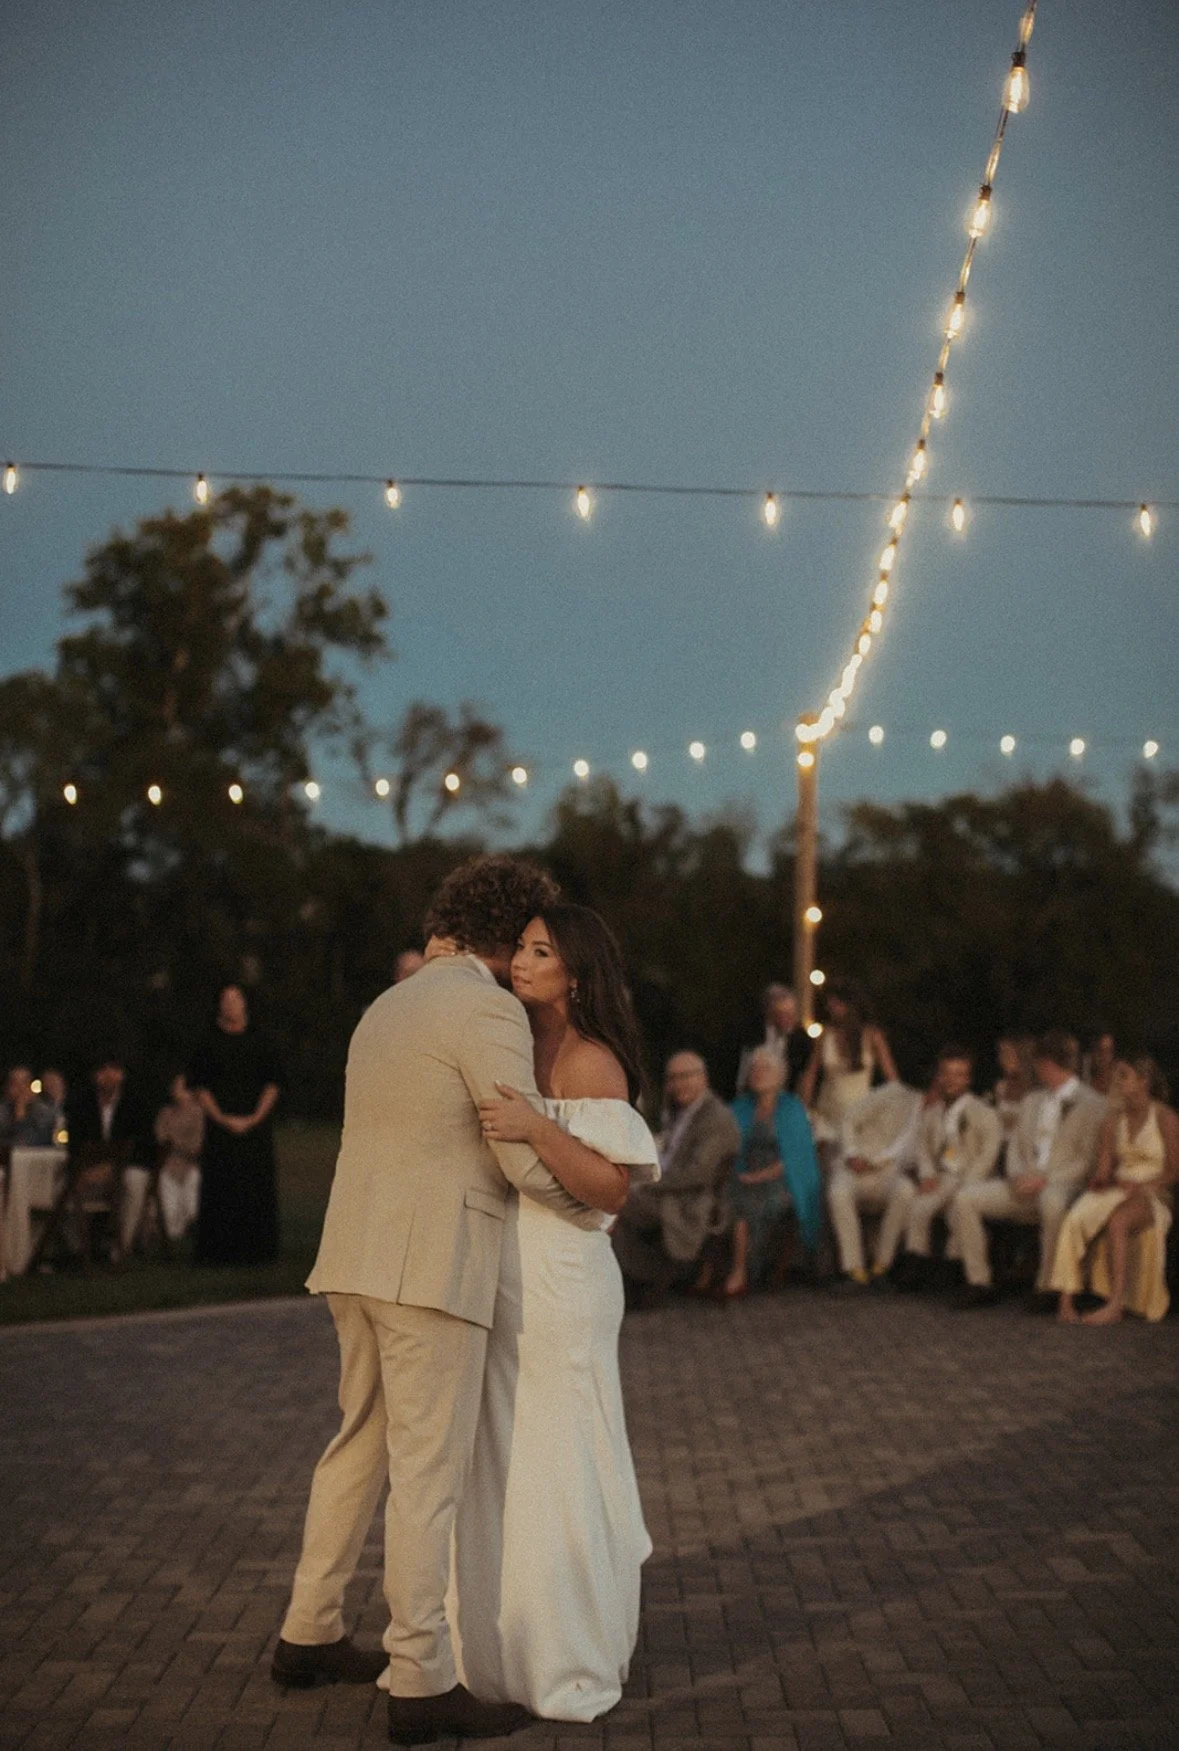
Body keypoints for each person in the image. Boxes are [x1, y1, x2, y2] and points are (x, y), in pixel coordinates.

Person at [274, 856, 636, 1745]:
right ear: (505, 931)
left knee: (355, 1446)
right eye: (522, 941)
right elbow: (514, 1153)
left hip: (351, 1257)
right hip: (429, 1269)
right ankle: (422, 1678)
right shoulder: (483, 1008)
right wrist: (581, 1207)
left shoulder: (387, 1002)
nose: (521, 962)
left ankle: (308, 1630)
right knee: (428, 1478)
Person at [453, 903, 658, 1721]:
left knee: (558, 1456)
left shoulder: (589, 1061)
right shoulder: (512, 1038)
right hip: (507, 1278)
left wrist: (538, 1125)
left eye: (541, 951)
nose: (522, 961)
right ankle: (500, 1645)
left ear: (575, 973)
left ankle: (567, 1651)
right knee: (504, 1456)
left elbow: (611, 1187)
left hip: (565, 1282)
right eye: (522, 949)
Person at [949, 1030, 1106, 1310]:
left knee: (1052, 1201)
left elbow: (1086, 1161)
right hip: (1025, 1183)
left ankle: (1048, 1286)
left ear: (1046, 1064)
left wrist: (1045, 1181)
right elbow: (1015, 1148)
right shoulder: (1032, 1100)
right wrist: (1018, 1175)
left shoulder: (1093, 1104)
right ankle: (979, 1281)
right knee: (966, 1197)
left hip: (1063, 1185)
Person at [1051, 1055, 1178, 1324]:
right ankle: (1066, 1301)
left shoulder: (1165, 1118)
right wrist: (1100, 1181)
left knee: (1118, 1221)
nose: (1117, 1083)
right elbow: (1104, 1169)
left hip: (1152, 1192)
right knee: (1075, 1217)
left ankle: (1115, 1304)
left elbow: (1173, 1171)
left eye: (1124, 1076)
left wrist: (1142, 1186)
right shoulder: (1112, 1121)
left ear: (1143, 1081)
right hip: (1120, 1187)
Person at [610, 1051, 740, 1305]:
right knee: (612, 1199)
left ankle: (643, 1277)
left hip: (691, 1200)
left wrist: (650, 1183)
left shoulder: (716, 1118)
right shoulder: (684, 1112)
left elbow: (698, 1173)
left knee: (616, 1202)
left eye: (684, 1077)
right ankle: (637, 1274)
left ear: (702, 1078)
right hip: (669, 1190)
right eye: (672, 1079)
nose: (677, 1085)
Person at [879, 1046, 1001, 1293]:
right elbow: (924, 1149)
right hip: (944, 1176)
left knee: (958, 1209)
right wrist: (927, 1174)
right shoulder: (933, 1113)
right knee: (919, 1205)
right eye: (947, 1073)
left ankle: (956, 1269)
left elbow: (988, 1154)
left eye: (959, 1074)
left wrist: (968, 1183)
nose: (951, 1080)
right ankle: (916, 1261)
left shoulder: (983, 1112)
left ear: (968, 1079)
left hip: (971, 1178)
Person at [189, 986, 282, 1266]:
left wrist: (255, 1118)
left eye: (236, 1000)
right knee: (222, 1188)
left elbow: (273, 1082)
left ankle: (258, 1252)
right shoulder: (208, 1042)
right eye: (226, 1000)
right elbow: (200, 1086)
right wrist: (220, 1117)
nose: (231, 1005)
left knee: (255, 1187)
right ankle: (219, 1253)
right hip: (220, 1129)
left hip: (256, 1129)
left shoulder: (261, 1040)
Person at [722, 1045, 822, 1296]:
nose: (757, 1073)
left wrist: (757, 1176)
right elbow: (728, 1147)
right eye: (754, 1068)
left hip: (783, 1179)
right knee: (727, 1195)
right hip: (741, 1173)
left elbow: (796, 1157)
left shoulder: (792, 1108)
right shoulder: (740, 1107)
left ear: (780, 1075)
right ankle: (715, 1271)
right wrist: (742, 1173)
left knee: (746, 1201)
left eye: (765, 1068)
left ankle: (741, 1271)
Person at [826, 1080, 923, 1286]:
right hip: (858, 1165)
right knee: (838, 1191)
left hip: (892, 1173)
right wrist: (852, 1153)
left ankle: (882, 1266)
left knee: (905, 1190)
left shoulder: (942, 1114)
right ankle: (853, 1268)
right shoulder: (893, 1093)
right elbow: (849, 1119)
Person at [66, 1056, 152, 1260]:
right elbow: (75, 1144)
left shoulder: (136, 1104)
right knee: (61, 1186)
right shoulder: (81, 1104)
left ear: (122, 1074)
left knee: (135, 1181)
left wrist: (113, 1168)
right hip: (90, 1169)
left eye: (113, 1069)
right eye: (102, 1070)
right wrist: (85, 1170)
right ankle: (76, 1248)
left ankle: (120, 1247)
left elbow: (144, 1146)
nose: (108, 1075)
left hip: (125, 1168)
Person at [798, 979, 898, 1148]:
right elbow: (811, 1073)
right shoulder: (825, 1036)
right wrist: (802, 1109)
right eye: (830, 1004)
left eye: (836, 1004)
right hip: (827, 1112)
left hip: (860, 1113)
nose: (831, 1009)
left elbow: (891, 1077)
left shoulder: (872, 1036)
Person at [153, 1073, 205, 1242]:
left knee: (192, 1206)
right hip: (168, 1166)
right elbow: (160, 1137)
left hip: (190, 1167)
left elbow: (196, 1145)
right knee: (169, 1219)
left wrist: (175, 1143)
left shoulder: (199, 1113)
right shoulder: (165, 1112)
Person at [736, 983, 810, 1094]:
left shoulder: (800, 1038)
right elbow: (742, 1073)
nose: (792, 1020)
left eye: (793, 1015)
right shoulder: (751, 1034)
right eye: (785, 1015)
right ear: (770, 1013)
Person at [989, 1035, 1037, 1141]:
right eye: (1000, 1053)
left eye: (1007, 1054)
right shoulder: (1000, 1087)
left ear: (1022, 1056)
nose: (1001, 1059)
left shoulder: (1037, 1090)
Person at [0, 1066, 56, 1149]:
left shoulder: (43, 1110)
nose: (21, 1088)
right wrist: (19, 1113)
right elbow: (15, 1145)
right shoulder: (2, 1111)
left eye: (25, 1083)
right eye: (15, 1084)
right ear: (7, 1088)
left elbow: (40, 1139)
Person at [1082, 1030, 1117, 1097]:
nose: (1104, 1056)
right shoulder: (1083, 1075)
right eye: (1100, 1050)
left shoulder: (1118, 1080)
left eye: (1109, 1051)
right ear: (1092, 1051)